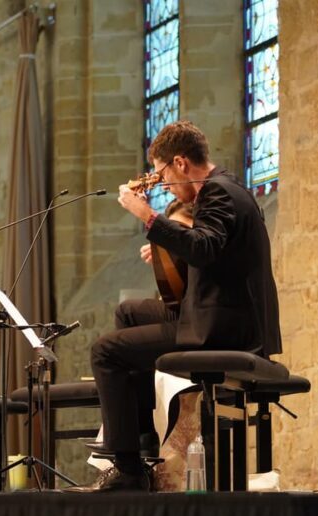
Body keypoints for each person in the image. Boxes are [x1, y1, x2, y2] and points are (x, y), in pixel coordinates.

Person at [73, 120, 281, 493]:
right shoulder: (228, 186)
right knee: (128, 313)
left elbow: (203, 247)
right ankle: (142, 443)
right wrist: (170, 249)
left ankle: (128, 468)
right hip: (220, 312)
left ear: (181, 163)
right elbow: (215, 257)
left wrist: (148, 216)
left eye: (162, 174)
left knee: (105, 351)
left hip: (223, 328)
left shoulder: (216, 193)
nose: (163, 183)